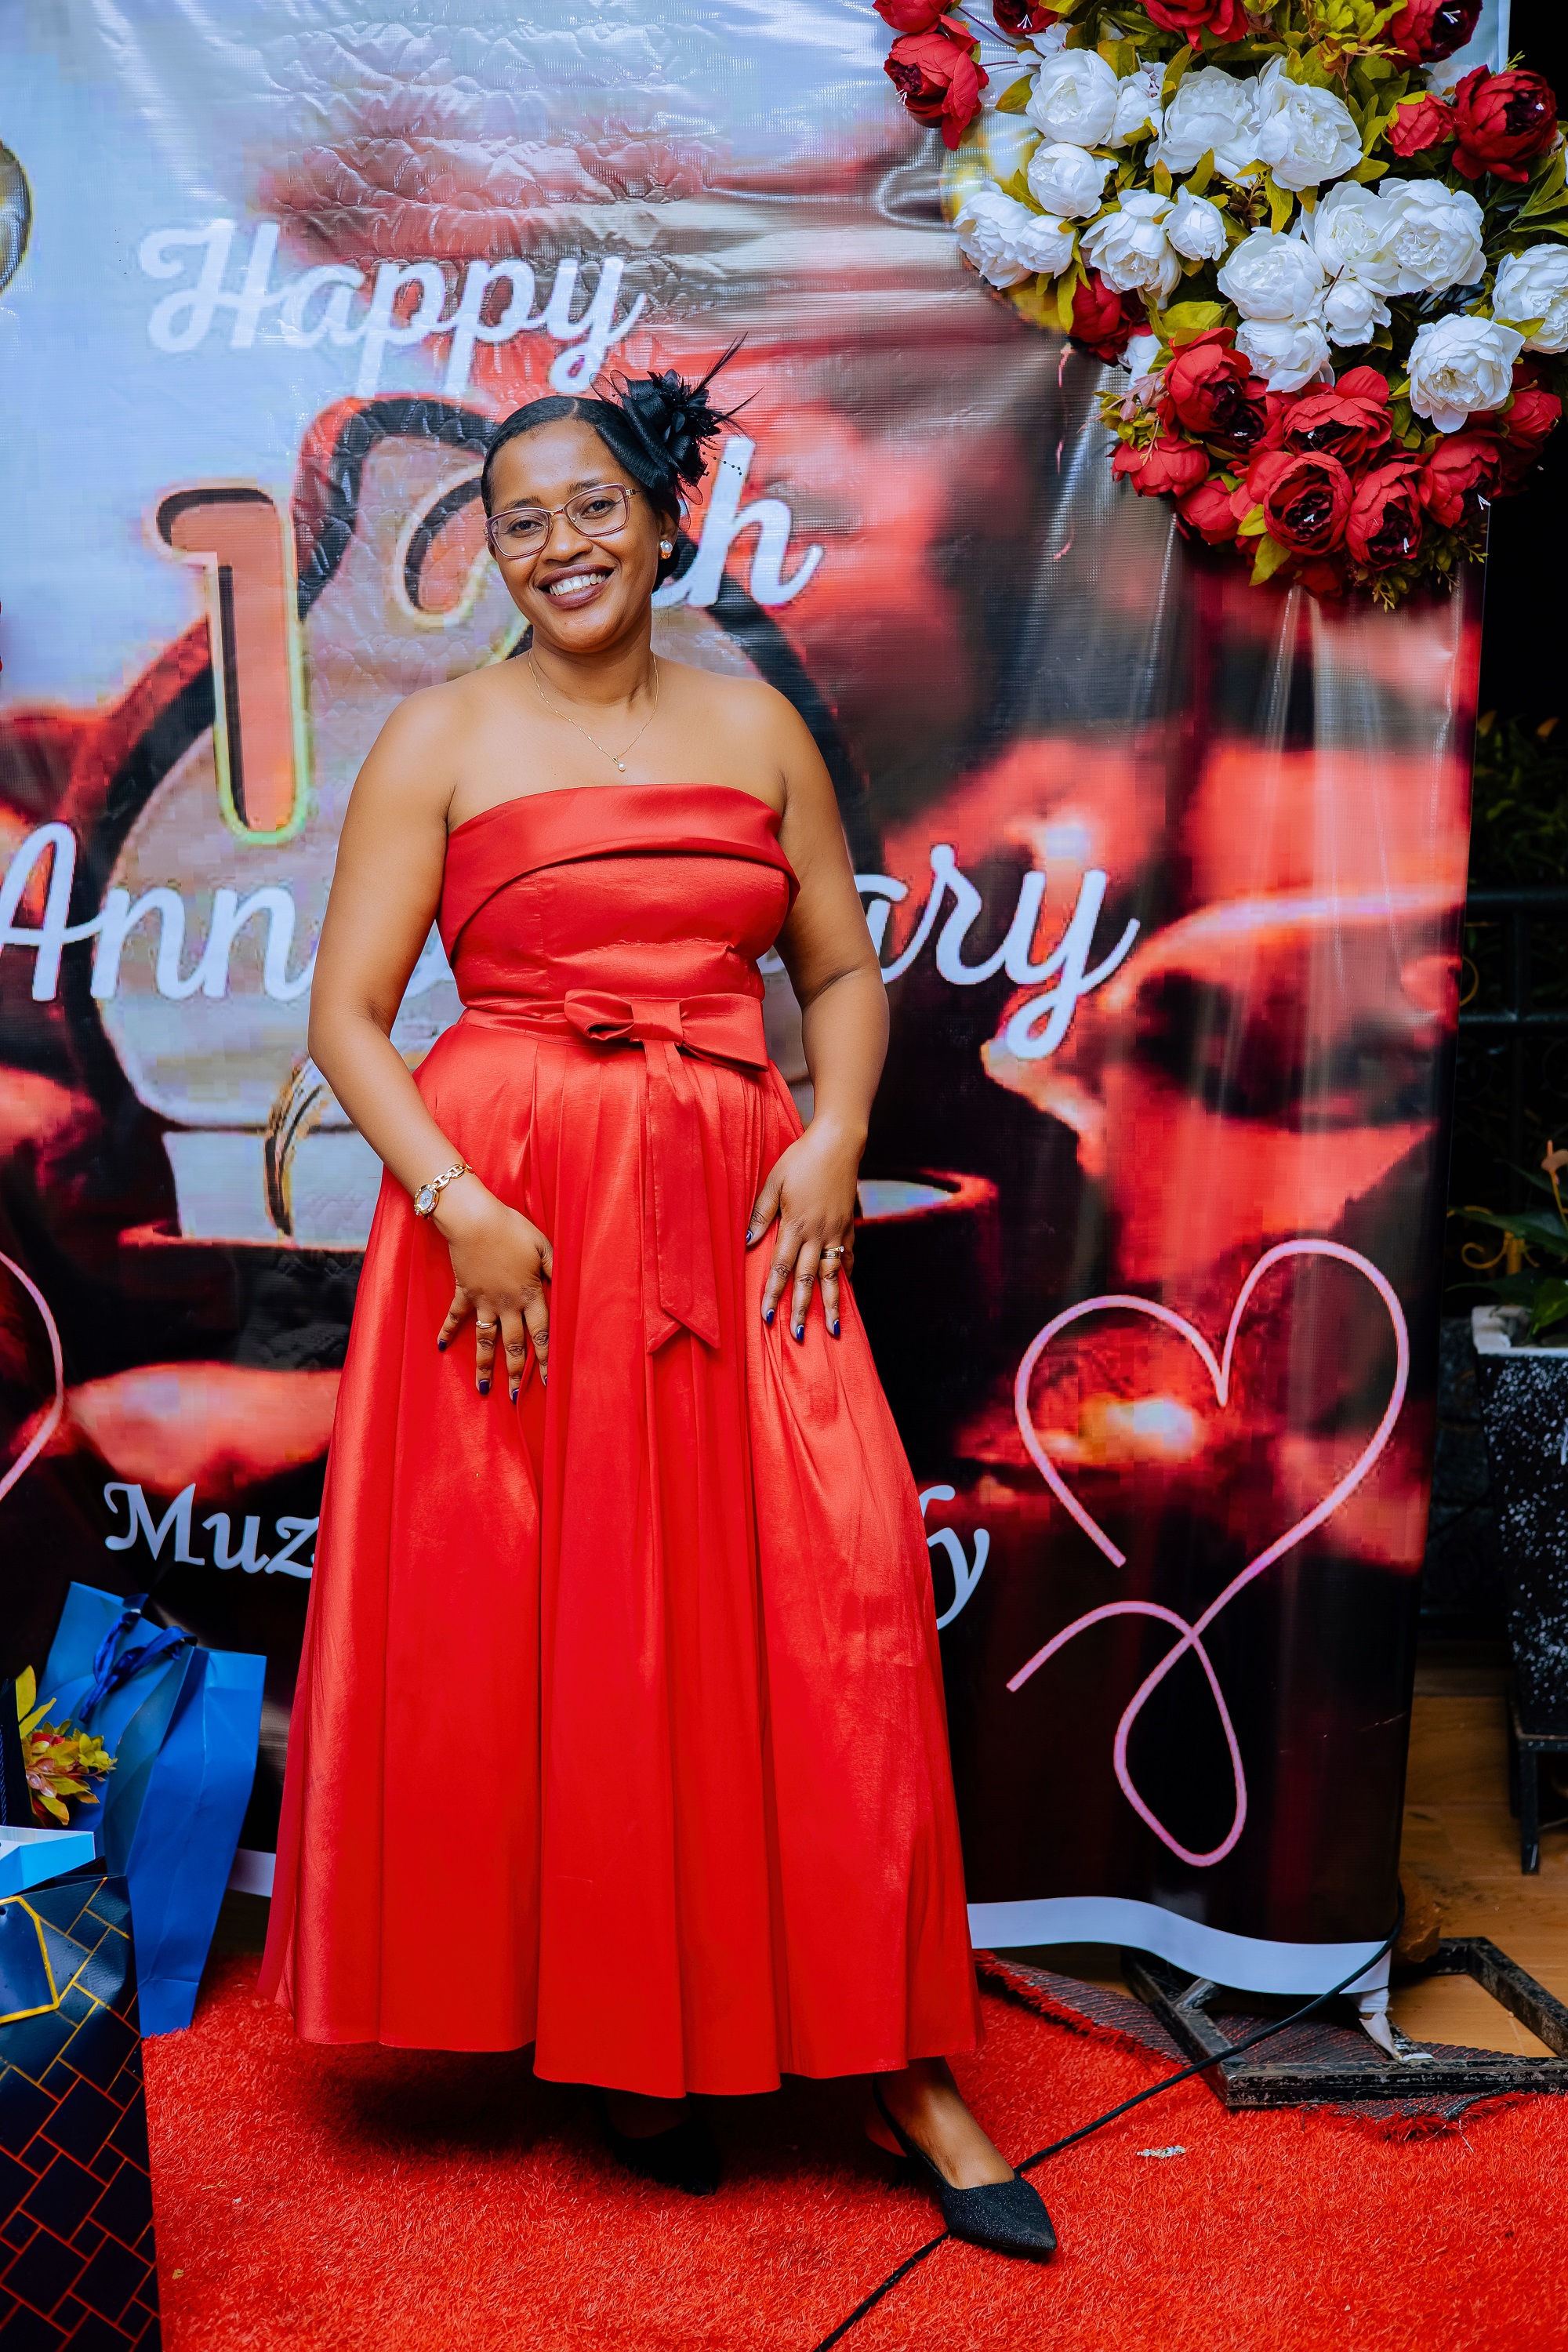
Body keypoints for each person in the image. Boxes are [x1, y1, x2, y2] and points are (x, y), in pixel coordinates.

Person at [258, 361, 1054, 2259]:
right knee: (561, 1609)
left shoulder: (753, 722)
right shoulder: (442, 735)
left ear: (662, 520)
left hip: (737, 1197)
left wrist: (833, 1135)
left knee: (829, 1584)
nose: (559, 545)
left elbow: (837, 973)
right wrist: (458, 1206)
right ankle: (622, 2032)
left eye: (592, 509)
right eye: (519, 520)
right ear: (488, 553)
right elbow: (347, 1019)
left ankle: (899, 2062)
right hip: (508, 1219)